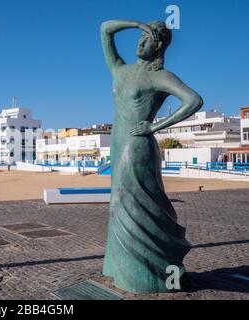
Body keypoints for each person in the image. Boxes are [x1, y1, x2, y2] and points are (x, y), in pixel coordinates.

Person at [100, 20, 203, 293]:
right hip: (117, 143)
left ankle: (147, 274)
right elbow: (105, 29)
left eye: (146, 40)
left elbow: (194, 100)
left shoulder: (160, 77)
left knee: (135, 206)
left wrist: (154, 126)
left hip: (137, 146)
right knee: (118, 206)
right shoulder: (120, 70)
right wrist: (136, 24)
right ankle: (119, 268)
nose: (140, 43)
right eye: (138, 38)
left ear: (159, 46)